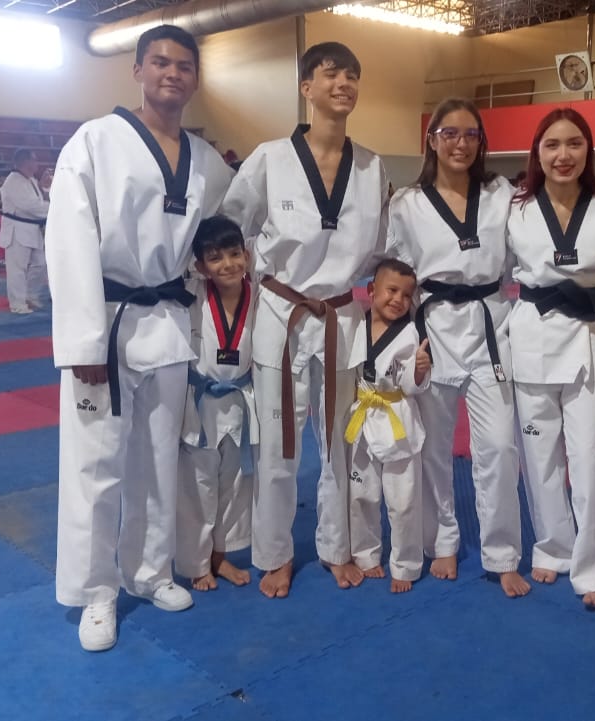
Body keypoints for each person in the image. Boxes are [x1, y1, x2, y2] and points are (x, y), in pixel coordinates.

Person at [46, 24, 235, 652]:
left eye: (184, 65)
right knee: (96, 465)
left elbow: (225, 234)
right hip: (108, 319)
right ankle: (95, 592)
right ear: (137, 70)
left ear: (196, 78)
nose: (172, 74)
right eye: (159, 62)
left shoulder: (206, 160)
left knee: (159, 460)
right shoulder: (94, 141)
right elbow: (68, 242)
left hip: (169, 324)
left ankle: (150, 572)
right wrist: (83, 343)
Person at [222, 41, 389, 599]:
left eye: (353, 75)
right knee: (278, 445)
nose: (344, 83)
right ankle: (274, 554)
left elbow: (379, 246)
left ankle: (337, 548)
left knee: (342, 441)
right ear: (306, 87)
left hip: (342, 315)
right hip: (282, 313)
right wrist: (244, 288)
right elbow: (231, 229)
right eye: (331, 73)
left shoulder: (372, 166)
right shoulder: (268, 159)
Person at [387, 97, 530, 598]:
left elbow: (522, 254)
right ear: (431, 140)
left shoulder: (501, 194)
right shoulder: (406, 203)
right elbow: (396, 274)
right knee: (434, 447)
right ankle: (442, 539)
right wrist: (402, 341)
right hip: (434, 329)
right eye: (449, 133)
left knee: (501, 446)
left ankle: (502, 553)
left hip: (491, 324)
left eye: (471, 134)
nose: (461, 143)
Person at [506, 108, 595, 610]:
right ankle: (553, 547)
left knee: (590, 458)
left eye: (574, 144)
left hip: (590, 338)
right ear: (537, 152)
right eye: (552, 145)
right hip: (532, 336)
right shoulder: (515, 208)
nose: (564, 155)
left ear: (589, 150)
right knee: (539, 456)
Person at [177, 215, 258, 593]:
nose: (228, 264)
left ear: (246, 255)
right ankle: (196, 562)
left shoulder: (258, 296)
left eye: (234, 253)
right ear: (200, 265)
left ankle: (221, 554)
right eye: (215, 258)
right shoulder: (192, 294)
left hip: (240, 400)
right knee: (198, 484)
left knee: (235, 482)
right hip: (201, 402)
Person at [345, 259, 431, 593]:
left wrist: (419, 369)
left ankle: (405, 564)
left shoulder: (410, 333)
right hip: (363, 417)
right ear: (371, 290)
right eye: (391, 290)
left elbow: (410, 385)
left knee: (404, 501)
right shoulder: (358, 323)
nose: (398, 300)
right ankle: (366, 555)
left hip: (398, 420)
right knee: (360, 495)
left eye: (407, 295)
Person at [0, 149, 50, 314]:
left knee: (41, 264)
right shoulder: (13, 181)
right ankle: (17, 303)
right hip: (17, 229)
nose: (37, 163)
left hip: (33, 228)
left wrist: (44, 188)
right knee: (17, 269)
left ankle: (30, 295)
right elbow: (30, 206)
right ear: (26, 162)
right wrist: (55, 208)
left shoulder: (31, 180)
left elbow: (38, 201)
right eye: (34, 160)